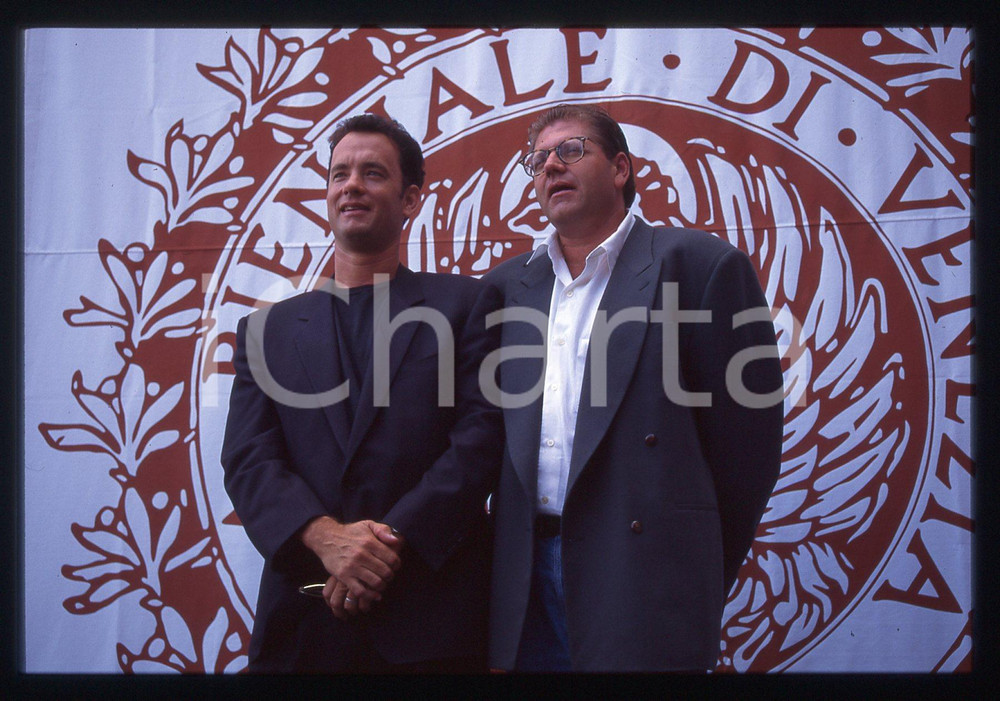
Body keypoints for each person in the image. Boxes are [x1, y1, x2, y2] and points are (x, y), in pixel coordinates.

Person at [484, 104, 784, 672]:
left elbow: (748, 450)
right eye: (537, 160)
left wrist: (692, 566)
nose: (550, 167)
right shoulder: (506, 286)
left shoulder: (701, 266)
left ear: (620, 169)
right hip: (522, 578)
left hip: (644, 571)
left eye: (570, 151)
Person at [221, 114, 502, 673]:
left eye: (373, 173)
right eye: (339, 174)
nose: (351, 185)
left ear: (411, 200)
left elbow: (483, 437)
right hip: (302, 618)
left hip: (435, 622)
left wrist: (387, 542)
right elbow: (248, 459)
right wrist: (324, 538)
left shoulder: (467, 306)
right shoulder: (266, 330)